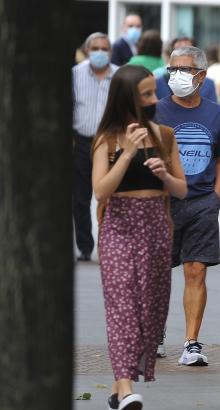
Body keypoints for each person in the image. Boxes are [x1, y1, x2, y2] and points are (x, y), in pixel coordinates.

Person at [92, 64, 187, 410]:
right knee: (122, 309)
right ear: (127, 99)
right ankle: (127, 386)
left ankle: (119, 396)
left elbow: (182, 189)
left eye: (153, 93)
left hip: (156, 229)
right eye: (146, 94)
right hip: (118, 228)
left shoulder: (164, 134)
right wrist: (128, 153)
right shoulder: (107, 139)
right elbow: (100, 190)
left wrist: (165, 175)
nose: (154, 100)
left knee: (149, 310)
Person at [155, 46, 220, 365]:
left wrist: (216, 196)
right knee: (158, 274)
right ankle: (155, 335)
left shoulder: (216, 114)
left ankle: (191, 343)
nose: (175, 75)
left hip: (202, 201)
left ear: (201, 76)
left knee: (196, 270)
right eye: (171, 69)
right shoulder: (156, 111)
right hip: (164, 204)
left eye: (183, 70)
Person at [72, 32, 119, 261]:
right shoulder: (75, 74)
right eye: (95, 48)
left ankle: (108, 244)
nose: (100, 52)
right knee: (80, 197)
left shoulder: (119, 76)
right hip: (82, 141)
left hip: (111, 141)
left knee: (109, 196)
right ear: (87, 49)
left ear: (110, 51)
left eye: (104, 48)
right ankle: (84, 246)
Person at [155, 37, 217, 102]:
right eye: (179, 51)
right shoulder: (158, 83)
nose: (183, 56)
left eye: (189, 51)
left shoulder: (208, 84)